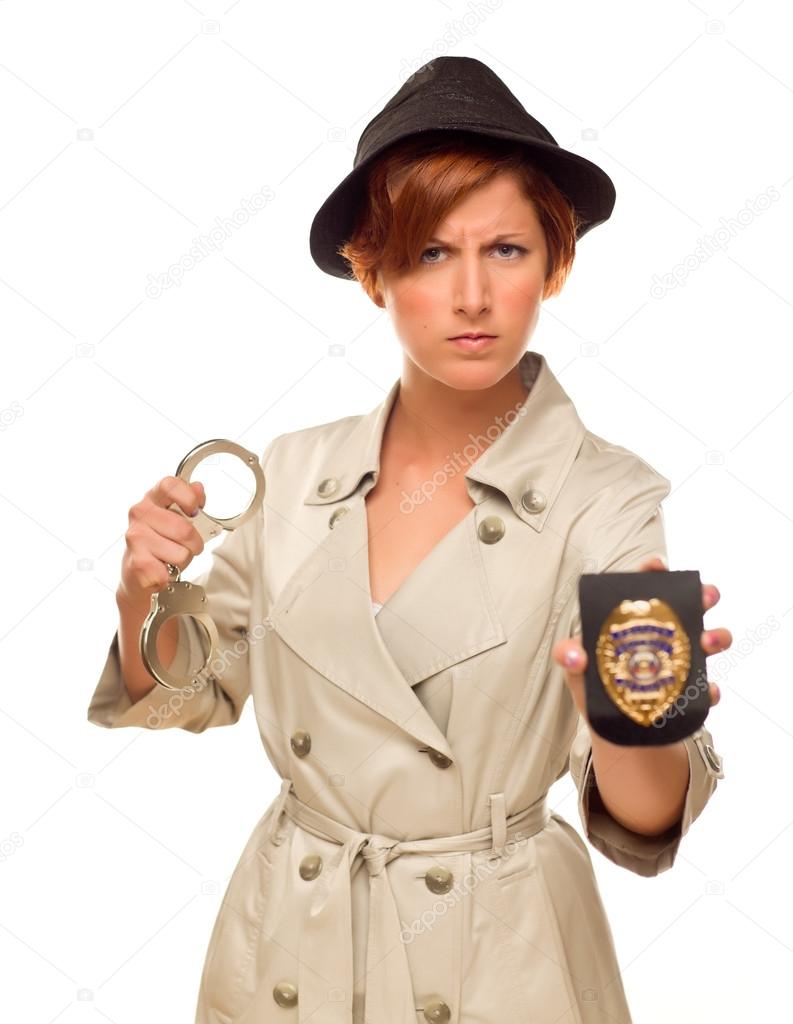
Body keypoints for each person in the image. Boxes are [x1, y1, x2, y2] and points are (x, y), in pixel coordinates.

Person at [88, 56, 729, 1024]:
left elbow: (643, 820)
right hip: (287, 947)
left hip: (500, 961)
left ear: (554, 266)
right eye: (430, 253)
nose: (471, 293)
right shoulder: (292, 472)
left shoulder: (613, 498)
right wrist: (147, 589)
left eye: (507, 250)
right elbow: (189, 693)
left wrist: (633, 720)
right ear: (372, 271)